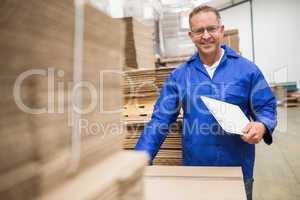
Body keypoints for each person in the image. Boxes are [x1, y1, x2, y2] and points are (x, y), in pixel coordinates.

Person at [135, 5, 277, 200]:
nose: (206, 35)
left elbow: (266, 107)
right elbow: (160, 120)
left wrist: (262, 125)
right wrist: (139, 158)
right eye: (199, 31)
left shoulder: (247, 70)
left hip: (236, 168)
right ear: (191, 35)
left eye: (211, 28)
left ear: (221, 30)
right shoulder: (180, 76)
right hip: (196, 169)